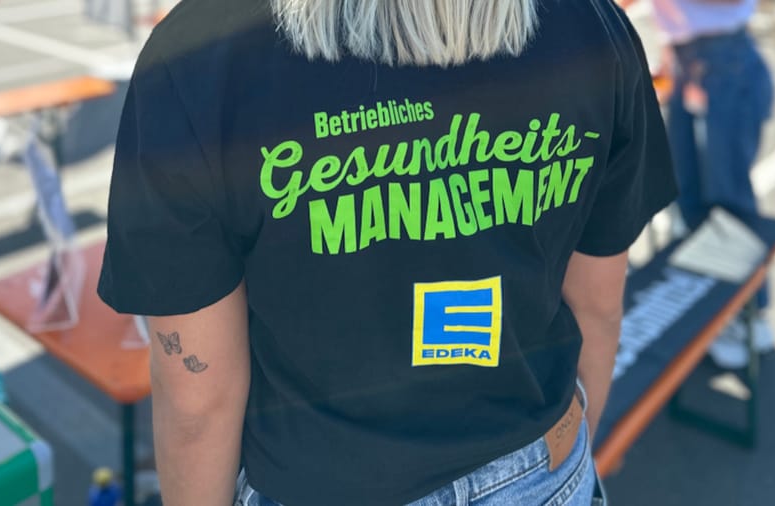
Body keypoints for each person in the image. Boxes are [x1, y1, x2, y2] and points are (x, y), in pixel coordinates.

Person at [97, 0, 677, 504]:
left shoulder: (199, 53)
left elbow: (199, 400)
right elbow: (597, 308)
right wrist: (567, 454)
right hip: (540, 472)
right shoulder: (591, 24)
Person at [643, 0, 775, 369]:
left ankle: (749, 315)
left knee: (729, 200)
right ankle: (712, 310)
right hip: (687, 60)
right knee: (686, 195)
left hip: (724, 61)